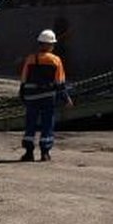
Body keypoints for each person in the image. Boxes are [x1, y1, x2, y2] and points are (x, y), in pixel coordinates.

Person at [19, 29, 72, 162]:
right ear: (49, 45)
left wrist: (22, 96)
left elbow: (24, 80)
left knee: (30, 123)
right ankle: (45, 152)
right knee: (47, 124)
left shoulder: (30, 59)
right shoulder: (56, 60)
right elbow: (59, 83)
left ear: (40, 44)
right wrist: (66, 99)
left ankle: (28, 153)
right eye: (52, 44)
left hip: (31, 97)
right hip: (48, 97)